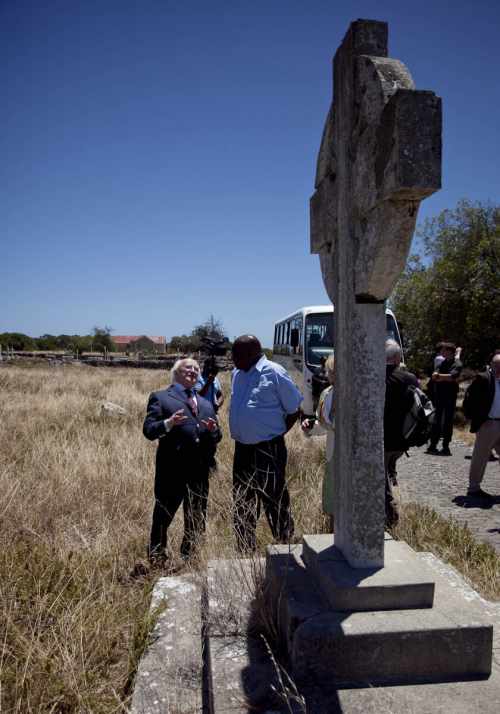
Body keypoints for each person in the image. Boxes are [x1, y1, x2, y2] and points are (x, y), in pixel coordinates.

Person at [143, 358, 221, 564]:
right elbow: (149, 430)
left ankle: (190, 558)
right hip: (172, 470)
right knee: (163, 516)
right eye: (188, 367)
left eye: (196, 369)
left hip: (199, 472)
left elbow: (217, 436)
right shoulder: (161, 397)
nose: (193, 371)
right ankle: (157, 558)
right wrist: (168, 423)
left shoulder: (206, 404)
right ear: (176, 372)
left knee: (196, 517)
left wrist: (213, 430)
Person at [229, 335, 303, 551]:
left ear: (251, 353)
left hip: (269, 448)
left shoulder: (274, 372)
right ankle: (245, 548)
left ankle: (284, 544)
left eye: (236, 354)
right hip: (242, 448)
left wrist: (273, 435)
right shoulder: (237, 374)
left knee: (274, 497)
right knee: (243, 499)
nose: (233, 358)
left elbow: (294, 410)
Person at [384, 339, 418, 527]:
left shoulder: (375, 377)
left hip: (382, 439)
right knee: (389, 471)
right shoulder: (410, 378)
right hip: (402, 438)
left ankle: (390, 517)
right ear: (398, 358)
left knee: (382, 480)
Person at [301, 354, 335, 528]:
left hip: (353, 456)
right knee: (334, 502)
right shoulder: (327, 394)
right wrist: (310, 427)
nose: (326, 374)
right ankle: (334, 533)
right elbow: (323, 425)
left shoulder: (359, 394)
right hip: (333, 455)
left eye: (329, 371)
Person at [463, 350, 500, 500]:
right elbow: (469, 401)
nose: (499, 368)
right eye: (497, 365)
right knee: (481, 457)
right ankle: (474, 488)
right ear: (491, 365)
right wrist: (478, 420)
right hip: (488, 424)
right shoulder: (483, 378)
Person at [425, 342, 462, 456]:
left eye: (444, 350)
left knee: (448, 421)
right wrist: (441, 377)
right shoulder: (443, 363)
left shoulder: (457, 364)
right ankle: (433, 444)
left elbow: (452, 377)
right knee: (436, 420)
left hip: (450, 396)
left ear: (449, 351)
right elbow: (434, 375)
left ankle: (446, 446)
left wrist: (439, 376)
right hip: (439, 395)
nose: (441, 352)